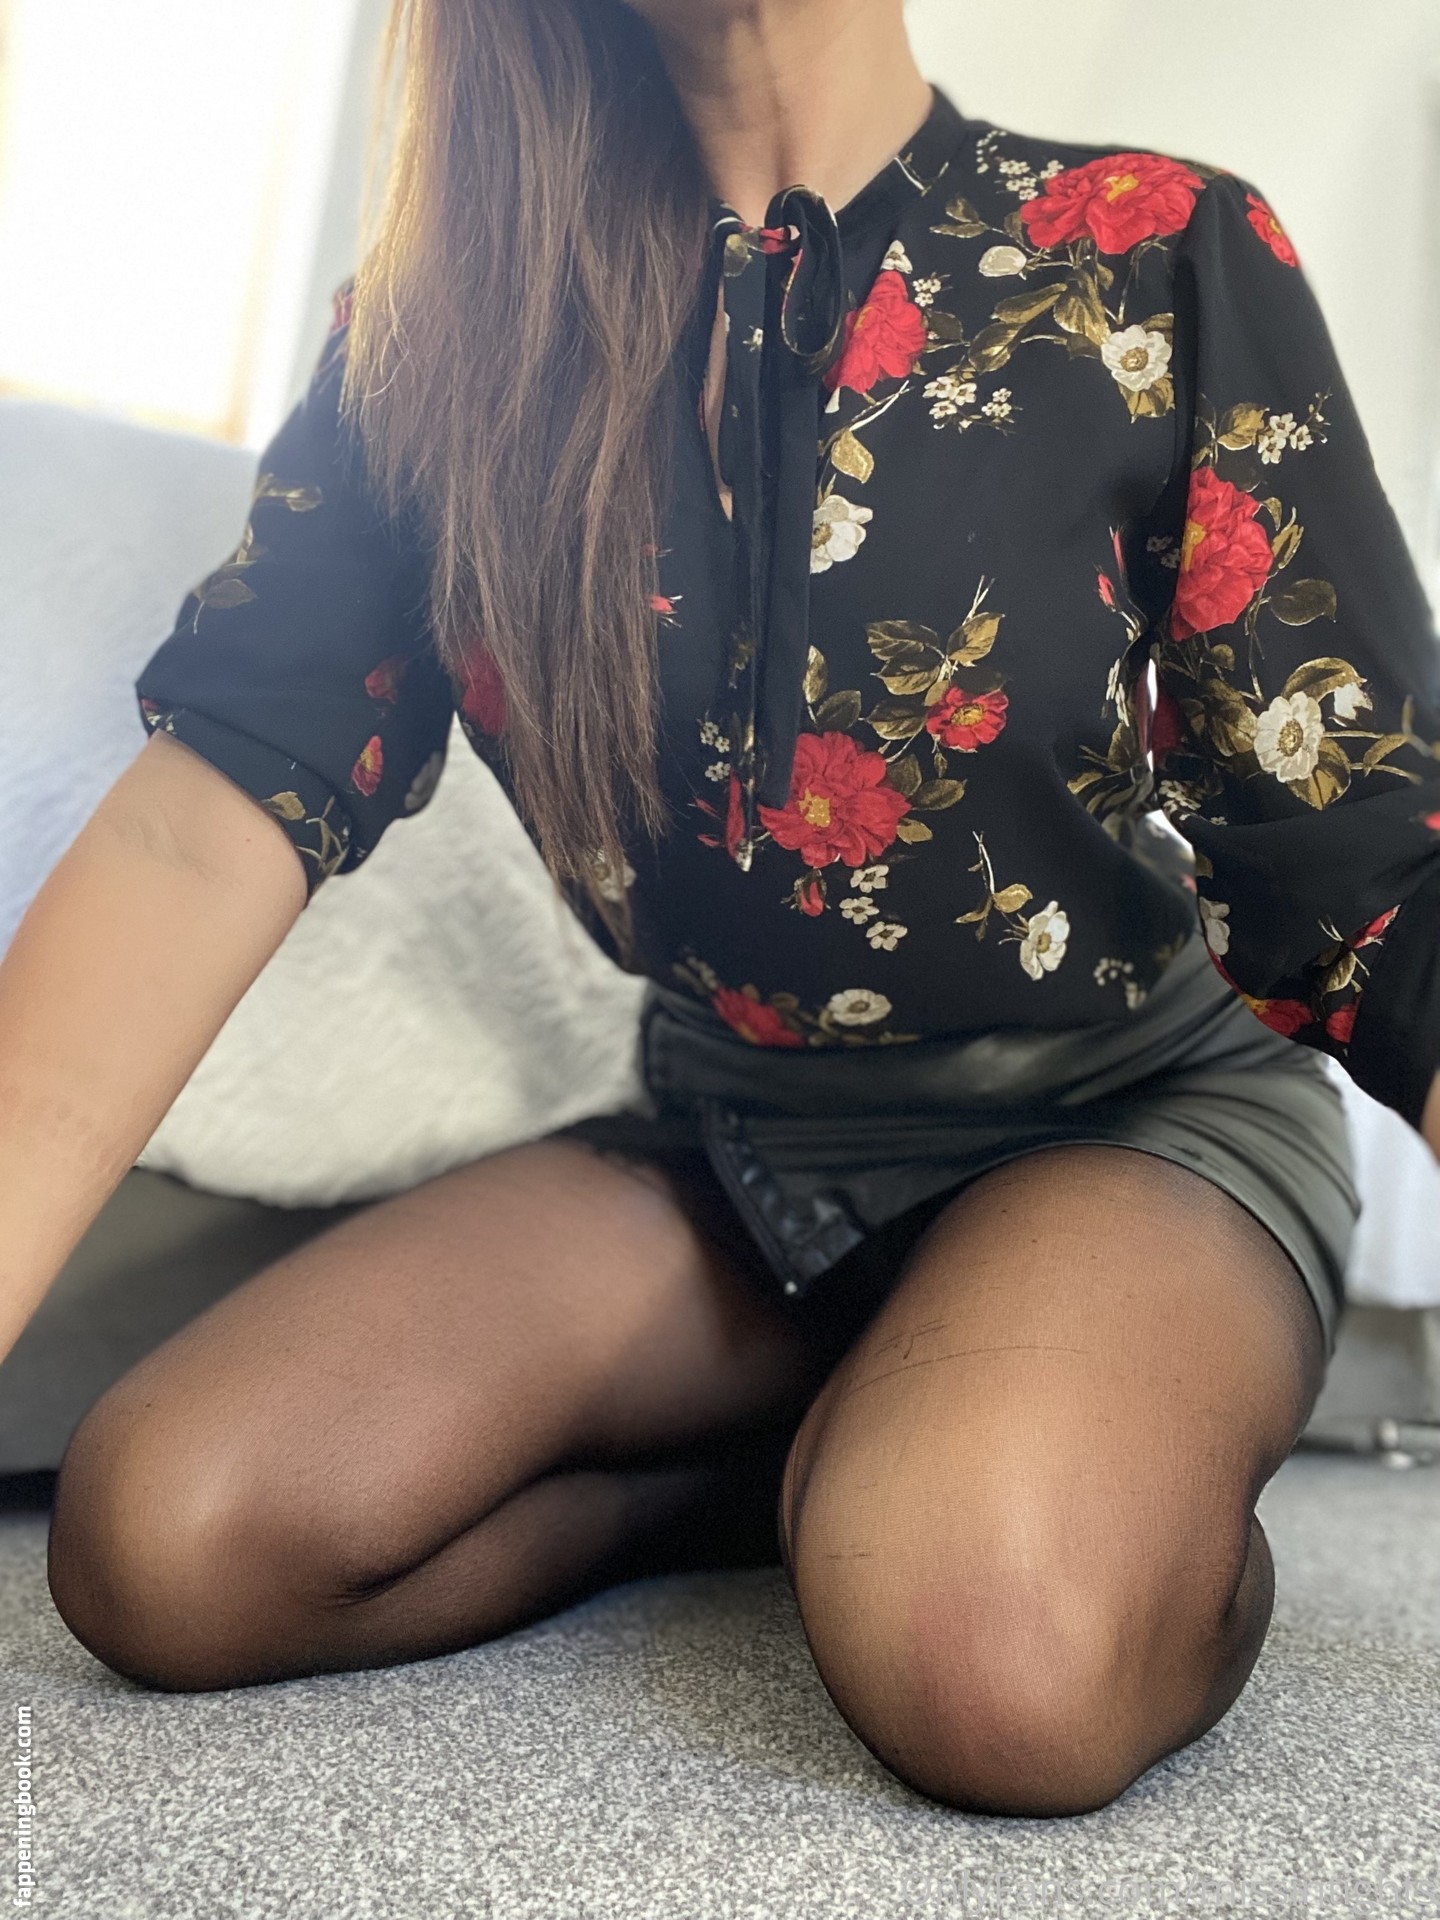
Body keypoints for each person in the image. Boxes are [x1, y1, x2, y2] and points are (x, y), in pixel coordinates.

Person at [11, 0, 1439, 1819]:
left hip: (1124, 1117)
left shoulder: (1158, 253)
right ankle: (825, 1452)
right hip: (736, 1137)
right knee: (169, 1538)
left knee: (1000, 1654)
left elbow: (1381, 874)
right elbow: (202, 826)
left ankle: (1016, 1470)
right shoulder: (437, 339)